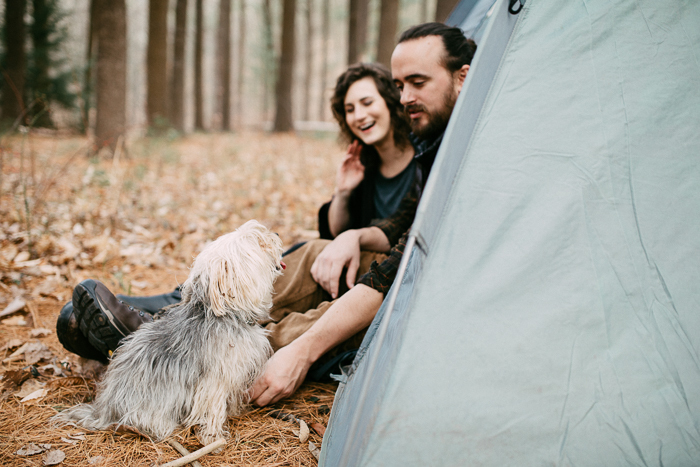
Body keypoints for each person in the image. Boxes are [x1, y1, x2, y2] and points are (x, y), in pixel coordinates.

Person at [58, 22, 477, 408]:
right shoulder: (434, 145)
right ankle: (175, 317)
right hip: (382, 273)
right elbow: (393, 229)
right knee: (316, 250)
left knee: (335, 303)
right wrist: (351, 219)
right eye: (400, 85)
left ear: (463, 76)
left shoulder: (468, 152)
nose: (404, 98)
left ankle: (207, 351)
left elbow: (396, 270)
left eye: (415, 83)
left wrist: (303, 350)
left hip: (426, 300)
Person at [318, 62, 416, 240]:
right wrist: (343, 192)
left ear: (390, 102)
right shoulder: (364, 164)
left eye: (367, 103)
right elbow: (336, 232)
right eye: (350, 109)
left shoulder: (425, 156)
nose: (359, 116)